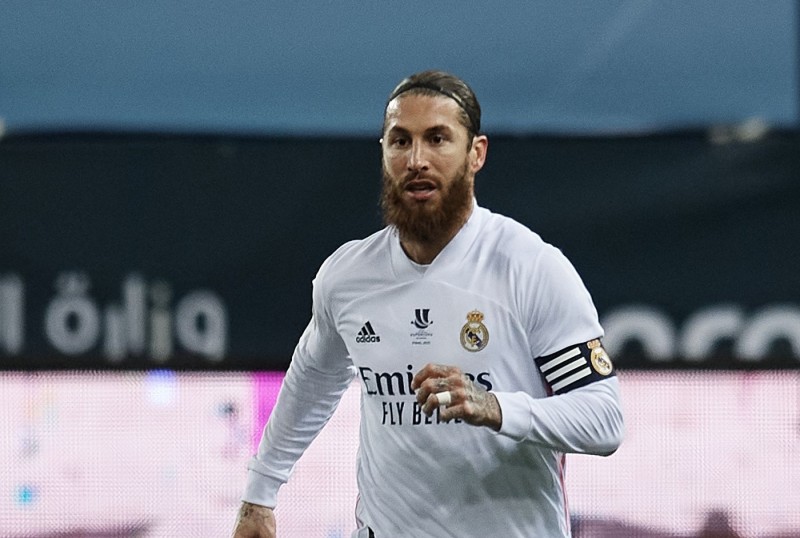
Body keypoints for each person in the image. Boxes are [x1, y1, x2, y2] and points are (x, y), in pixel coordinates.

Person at [232, 70, 624, 538]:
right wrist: (260, 493)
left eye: (437, 139)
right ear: (383, 152)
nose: (416, 160)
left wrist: (494, 407)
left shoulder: (530, 267)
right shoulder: (347, 276)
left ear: (476, 153)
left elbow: (603, 419)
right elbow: (313, 379)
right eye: (401, 141)